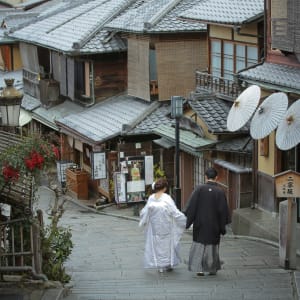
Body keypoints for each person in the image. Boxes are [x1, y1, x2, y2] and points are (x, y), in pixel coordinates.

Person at [184, 167, 230, 276]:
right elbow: (223, 210)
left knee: (199, 245)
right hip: (214, 224)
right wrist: (222, 226)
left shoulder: (199, 189)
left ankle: (199, 269)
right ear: (216, 177)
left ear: (205, 177)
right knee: (212, 246)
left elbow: (191, 206)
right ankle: (211, 268)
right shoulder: (220, 191)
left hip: (200, 223)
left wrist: (188, 221)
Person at [139, 178, 186, 273]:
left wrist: (145, 221)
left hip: (154, 227)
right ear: (164, 188)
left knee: (156, 245)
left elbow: (145, 211)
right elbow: (174, 212)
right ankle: (167, 264)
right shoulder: (166, 198)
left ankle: (159, 264)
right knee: (167, 245)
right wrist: (183, 219)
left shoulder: (152, 197)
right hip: (166, 225)